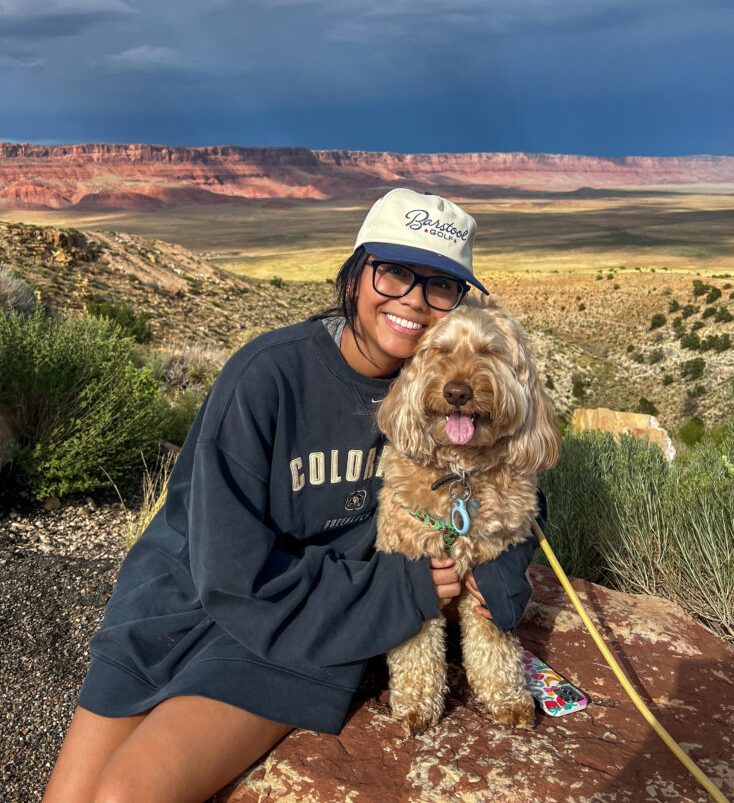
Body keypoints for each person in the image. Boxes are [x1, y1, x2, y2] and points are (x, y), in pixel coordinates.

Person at [43, 188, 545, 803]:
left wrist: (503, 576)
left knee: (125, 795)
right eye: (395, 273)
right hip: (191, 603)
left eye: (440, 286)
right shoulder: (267, 376)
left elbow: (508, 480)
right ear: (357, 275)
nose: (414, 300)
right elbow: (224, 561)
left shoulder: (441, 402)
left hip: (313, 620)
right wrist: (406, 591)